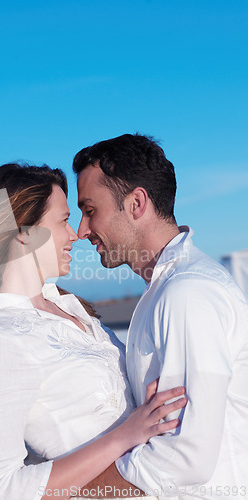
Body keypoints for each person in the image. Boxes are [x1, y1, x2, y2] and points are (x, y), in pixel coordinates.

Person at [0, 163, 187, 500]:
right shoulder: (3, 341)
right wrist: (126, 435)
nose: (75, 234)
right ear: (22, 234)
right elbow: (2, 488)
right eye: (62, 221)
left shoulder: (72, 308)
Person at [73, 134, 248, 499]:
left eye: (90, 210)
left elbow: (188, 458)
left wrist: (73, 491)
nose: (82, 231)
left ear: (136, 203)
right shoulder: (168, 289)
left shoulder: (188, 292)